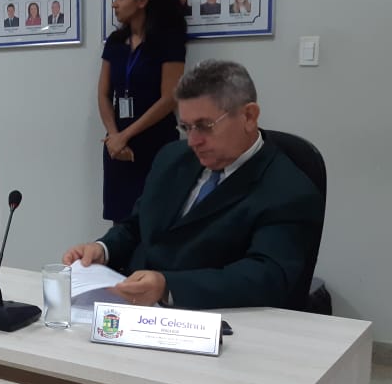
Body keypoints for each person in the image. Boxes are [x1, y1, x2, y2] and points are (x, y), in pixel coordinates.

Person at [63, 60, 324, 310]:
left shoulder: (287, 189)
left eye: (204, 126)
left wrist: (168, 286)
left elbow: (267, 277)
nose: (193, 141)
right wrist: (103, 249)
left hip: (216, 320)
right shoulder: (172, 158)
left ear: (249, 116)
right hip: (132, 307)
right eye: (187, 127)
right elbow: (137, 225)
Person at [96, 0, 187, 222]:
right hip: (117, 147)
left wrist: (125, 136)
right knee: (121, 222)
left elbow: (170, 98)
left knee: (154, 220)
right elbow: (103, 94)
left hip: (155, 143)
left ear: (142, 1)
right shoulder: (115, 42)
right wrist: (114, 136)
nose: (114, 3)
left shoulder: (169, 40)